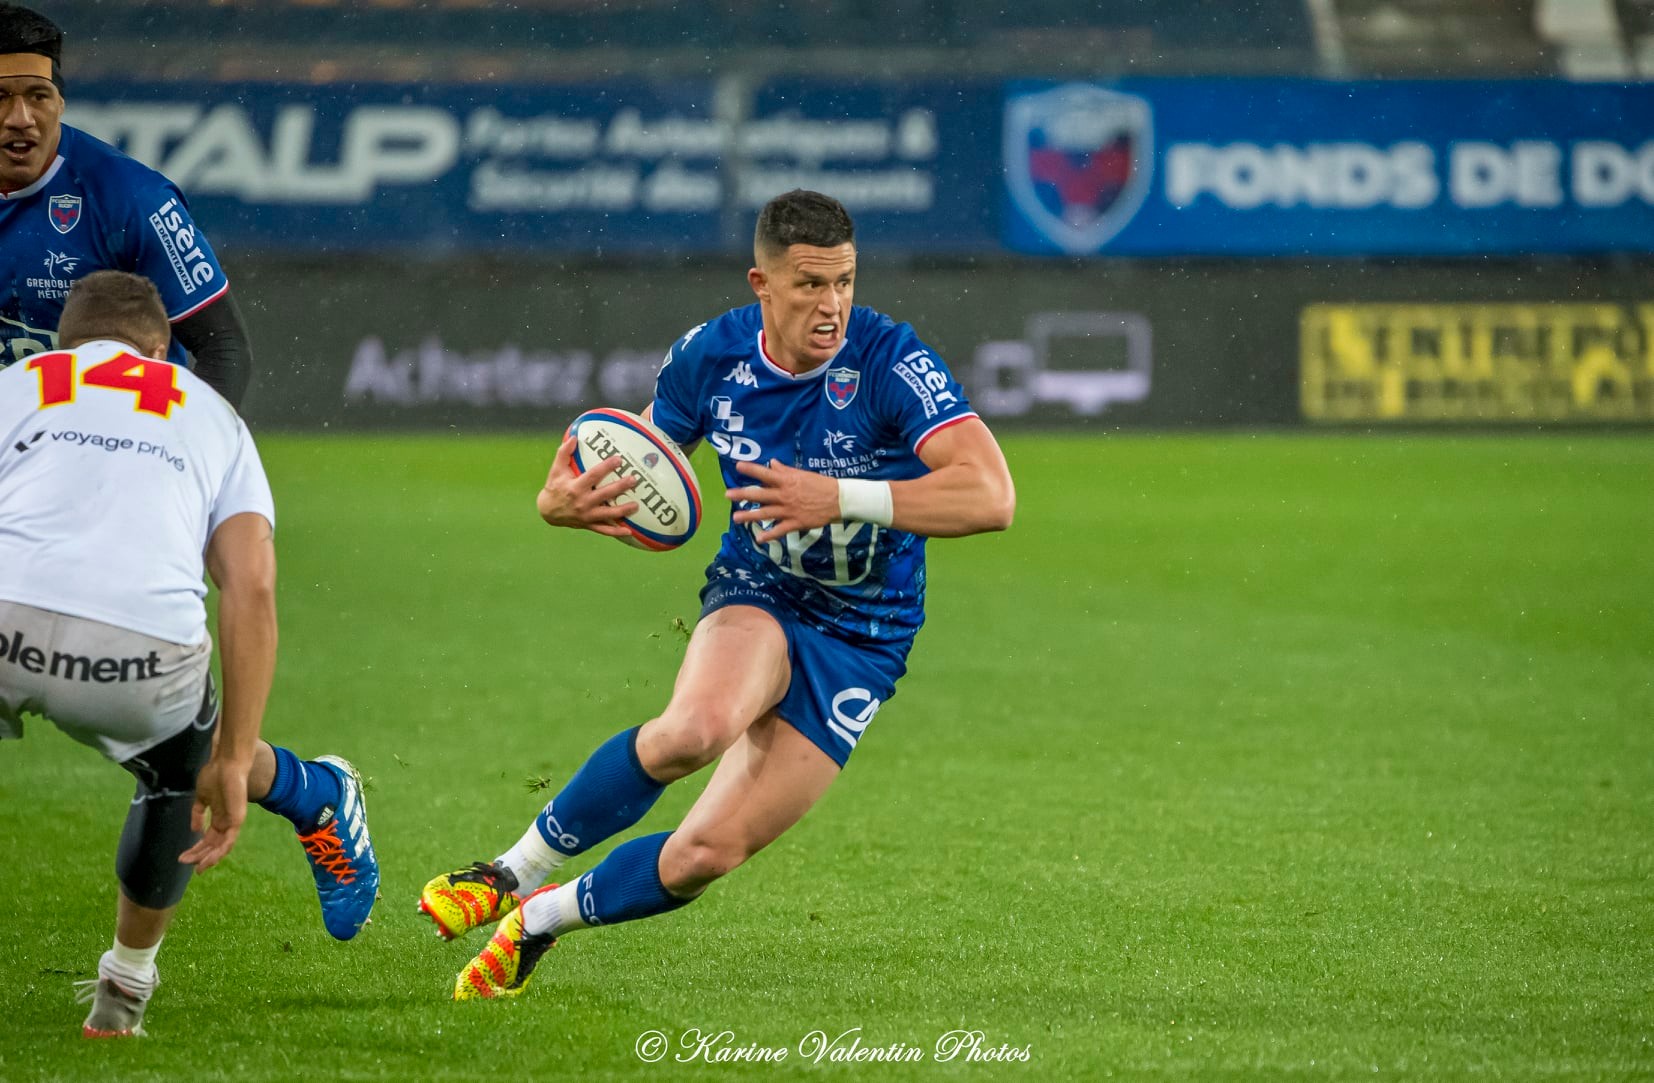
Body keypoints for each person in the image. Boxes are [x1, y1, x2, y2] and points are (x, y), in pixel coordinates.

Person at [419, 189, 1015, 999]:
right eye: (809, 284)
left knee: (706, 853)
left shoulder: (891, 361)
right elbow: (640, 467)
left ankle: (539, 920)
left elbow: (991, 497)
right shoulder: (710, 356)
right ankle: (510, 872)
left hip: (864, 637)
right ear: (760, 285)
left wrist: (837, 496)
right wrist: (561, 505)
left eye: (844, 281)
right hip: (760, 586)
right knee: (693, 730)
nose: (832, 304)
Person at [0, 271, 378, 1038]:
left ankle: (312, 791)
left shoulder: (17, 382)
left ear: (64, 343)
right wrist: (233, 759)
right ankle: (122, 996)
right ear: (162, 347)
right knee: (181, 773)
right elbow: (251, 586)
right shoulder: (212, 413)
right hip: (142, 658)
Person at [0, 5, 254, 406]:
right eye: (0, 97)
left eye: (39, 96)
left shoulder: (133, 199)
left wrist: (191, 448)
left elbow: (223, 348)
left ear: (61, 103)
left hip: (115, 446)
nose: (21, 118)